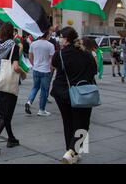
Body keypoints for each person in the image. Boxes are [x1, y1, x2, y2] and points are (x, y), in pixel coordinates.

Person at [51, 27, 97, 164]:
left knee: (68, 123)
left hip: (62, 93)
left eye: (60, 37)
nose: (59, 40)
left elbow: (52, 68)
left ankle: (72, 153)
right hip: (83, 93)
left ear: (66, 39)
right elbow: (93, 71)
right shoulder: (87, 54)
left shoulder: (59, 54)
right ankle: (72, 152)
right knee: (82, 124)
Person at [0, 22, 27, 155]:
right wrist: (23, 73)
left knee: (4, 112)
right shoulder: (13, 46)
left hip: (0, 79)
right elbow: (15, 66)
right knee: (6, 114)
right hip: (9, 81)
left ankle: (11, 138)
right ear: (11, 33)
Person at [25, 31, 55, 117]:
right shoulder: (50, 45)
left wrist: (34, 64)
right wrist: (51, 68)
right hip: (46, 70)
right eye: (49, 34)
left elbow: (30, 57)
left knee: (35, 87)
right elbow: (52, 60)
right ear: (47, 35)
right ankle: (41, 110)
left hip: (36, 69)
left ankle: (29, 102)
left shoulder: (33, 44)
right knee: (44, 91)